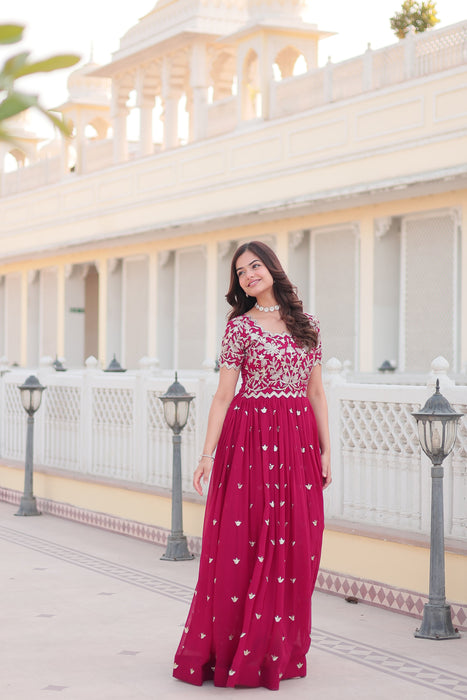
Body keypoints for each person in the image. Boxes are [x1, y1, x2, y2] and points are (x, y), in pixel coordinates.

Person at [172, 240, 331, 691]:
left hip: (298, 441)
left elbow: (316, 392)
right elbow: (223, 396)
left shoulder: (308, 325)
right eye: (241, 272)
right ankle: (238, 649)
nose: (248, 276)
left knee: (299, 539)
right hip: (250, 440)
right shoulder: (239, 328)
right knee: (247, 537)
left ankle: (279, 647)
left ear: (272, 268)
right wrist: (207, 455)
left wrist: (326, 448)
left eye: (254, 266)